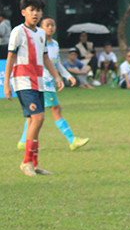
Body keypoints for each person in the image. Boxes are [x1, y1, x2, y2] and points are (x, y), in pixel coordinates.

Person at [4, 0, 64, 176]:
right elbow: (11, 57)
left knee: (34, 121)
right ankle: (26, 162)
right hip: (23, 81)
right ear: (23, 12)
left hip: (39, 82)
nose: (35, 14)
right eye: (32, 10)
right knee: (38, 118)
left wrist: (56, 76)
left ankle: (35, 163)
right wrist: (6, 83)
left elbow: (45, 57)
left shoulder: (40, 33)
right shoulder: (17, 32)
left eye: (38, 10)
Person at [19, 17, 89, 152]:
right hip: (43, 82)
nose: (50, 27)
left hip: (49, 82)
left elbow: (57, 63)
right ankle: (72, 140)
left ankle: (23, 141)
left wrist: (67, 75)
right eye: (47, 25)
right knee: (55, 109)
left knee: (34, 114)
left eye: (52, 25)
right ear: (41, 28)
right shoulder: (37, 42)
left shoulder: (55, 44)